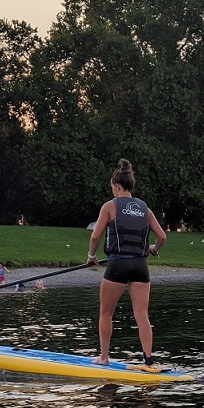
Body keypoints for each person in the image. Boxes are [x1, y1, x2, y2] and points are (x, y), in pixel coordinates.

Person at [87, 158, 166, 372]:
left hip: (118, 265)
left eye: (112, 188)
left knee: (106, 313)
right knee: (142, 315)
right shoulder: (145, 209)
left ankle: (104, 358)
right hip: (141, 266)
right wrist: (153, 249)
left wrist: (91, 256)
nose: (112, 191)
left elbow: (95, 237)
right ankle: (148, 361)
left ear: (117, 186)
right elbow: (162, 237)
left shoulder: (110, 206)